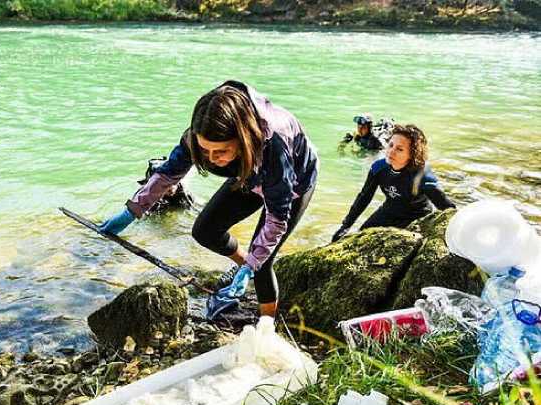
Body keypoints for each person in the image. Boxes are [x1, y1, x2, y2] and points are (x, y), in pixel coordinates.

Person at [100, 80, 319, 319]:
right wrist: (132, 211)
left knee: (264, 262)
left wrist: (254, 264)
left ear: (242, 138)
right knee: (205, 230)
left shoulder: (274, 146)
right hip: (246, 174)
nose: (211, 159)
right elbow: (168, 174)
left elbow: (277, 220)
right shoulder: (199, 134)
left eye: (221, 151)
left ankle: (266, 324)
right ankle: (243, 266)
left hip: (293, 183)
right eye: (205, 151)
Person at [332, 124, 455, 242]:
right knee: (359, 238)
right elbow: (364, 197)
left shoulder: (421, 176)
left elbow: (448, 210)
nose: (391, 151)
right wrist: (345, 226)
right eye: (391, 145)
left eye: (399, 149)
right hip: (389, 210)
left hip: (417, 216)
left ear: (412, 154)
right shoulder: (379, 168)